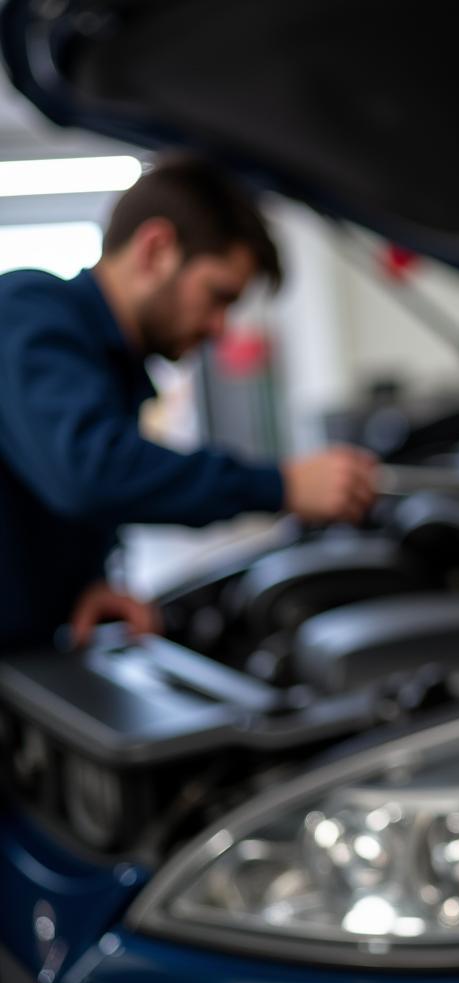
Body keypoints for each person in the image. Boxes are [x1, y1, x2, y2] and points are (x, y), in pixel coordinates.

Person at [0, 154, 378, 652]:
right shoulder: (27, 312)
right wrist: (281, 484)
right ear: (155, 250)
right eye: (217, 296)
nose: (221, 328)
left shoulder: (108, 365)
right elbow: (89, 473)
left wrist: (82, 584)